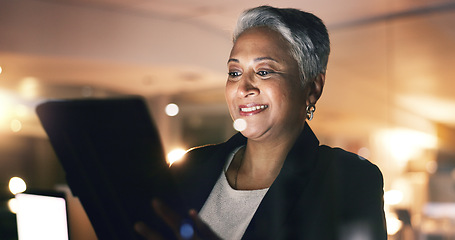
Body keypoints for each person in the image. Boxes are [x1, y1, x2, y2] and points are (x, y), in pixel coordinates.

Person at [135, 5, 387, 240]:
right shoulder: (189, 167)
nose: (243, 88)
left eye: (264, 71)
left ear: (312, 87)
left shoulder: (349, 179)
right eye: (234, 73)